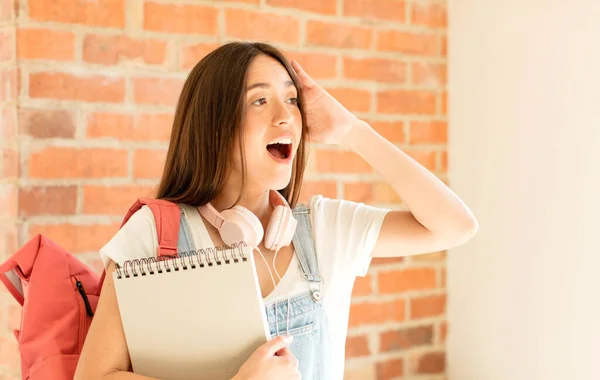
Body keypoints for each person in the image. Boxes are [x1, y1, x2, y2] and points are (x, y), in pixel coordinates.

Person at [74, 41, 478, 380]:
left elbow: (456, 227)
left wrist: (353, 131)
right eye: (260, 100)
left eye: (291, 99)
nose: (285, 115)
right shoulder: (155, 233)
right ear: (215, 124)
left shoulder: (323, 229)